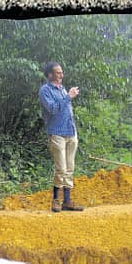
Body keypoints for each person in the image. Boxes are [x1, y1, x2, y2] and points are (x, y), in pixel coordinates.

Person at [38, 62, 84, 212]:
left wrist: (68, 96)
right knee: (61, 168)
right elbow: (52, 109)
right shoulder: (45, 90)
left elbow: (66, 110)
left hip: (70, 132)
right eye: (57, 73)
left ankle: (68, 201)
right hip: (56, 132)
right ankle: (56, 200)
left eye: (61, 72)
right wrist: (68, 97)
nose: (61, 75)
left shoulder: (63, 89)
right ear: (50, 74)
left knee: (70, 167)